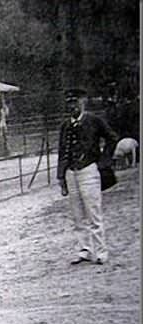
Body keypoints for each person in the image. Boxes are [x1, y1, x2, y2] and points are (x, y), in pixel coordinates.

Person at [57, 88, 119, 265]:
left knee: (93, 213)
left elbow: (112, 138)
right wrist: (61, 176)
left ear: (82, 103)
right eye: (69, 103)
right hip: (71, 173)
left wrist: (103, 162)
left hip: (88, 170)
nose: (72, 106)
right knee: (77, 215)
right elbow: (62, 151)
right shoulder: (66, 125)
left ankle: (101, 251)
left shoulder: (94, 120)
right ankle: (85, 250)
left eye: (75, 102)